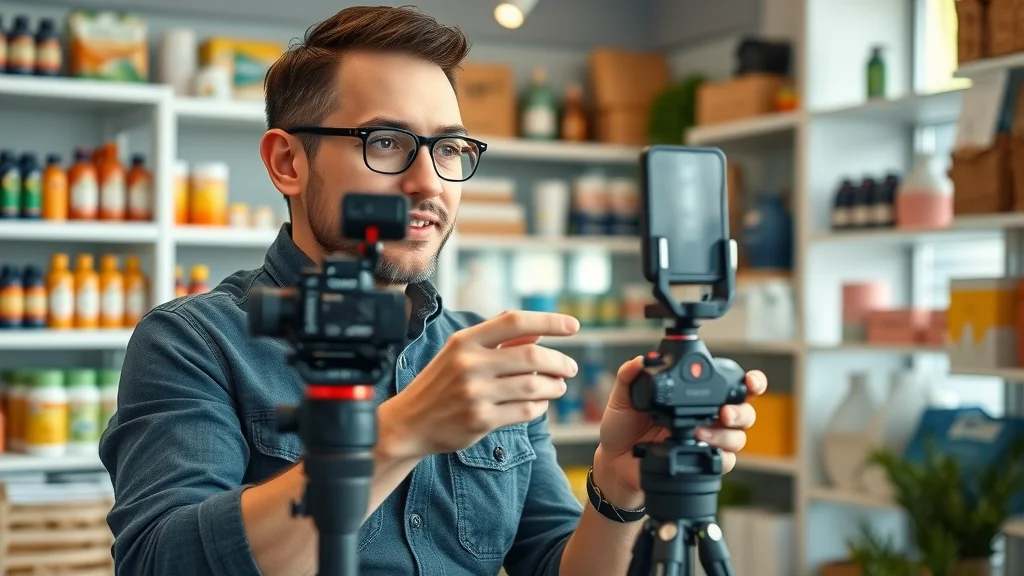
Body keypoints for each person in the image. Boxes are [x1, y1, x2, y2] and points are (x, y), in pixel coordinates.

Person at [98, 5, 768, 576]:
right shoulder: (195, 341)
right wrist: (402, 431)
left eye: (449, 150)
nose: (428, 184)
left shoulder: (484, 351)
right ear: (288, 162)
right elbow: (161, 557)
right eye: (387, 143)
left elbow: (553, 562)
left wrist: (618, 488)